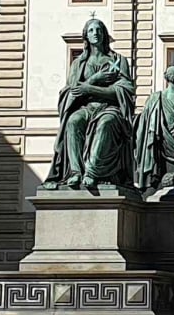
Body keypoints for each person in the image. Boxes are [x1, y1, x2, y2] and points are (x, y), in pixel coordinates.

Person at [44, 19, 137, 190]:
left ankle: (92, 172)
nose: (96, 33)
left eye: (99, 30)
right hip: (86, 108)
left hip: (110, 108)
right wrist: (95, 80)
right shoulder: (78, 63)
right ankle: (76, 172)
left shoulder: (119, 60)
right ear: (86, 35)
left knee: (106, 123)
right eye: (92, 30)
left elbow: (125, 90)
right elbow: (72, 92)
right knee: (73, 122)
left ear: (104, 34)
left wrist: (88, 88)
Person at [134, 65, 174, 193]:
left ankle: (152, 180)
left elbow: (145, 121)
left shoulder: (155, 98)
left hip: (157, 142)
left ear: (167, 78)